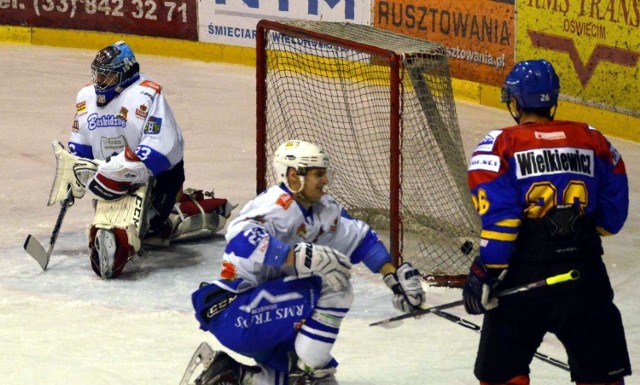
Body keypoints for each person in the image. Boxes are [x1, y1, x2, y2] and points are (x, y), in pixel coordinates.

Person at [188, 139, 426, 385]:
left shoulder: (323, 210)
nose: (325, 181)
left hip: (268, 318)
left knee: (322, 378)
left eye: (325, 173)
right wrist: (297, 257)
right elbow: (238, 235)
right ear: (293, 176)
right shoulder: (278, 205)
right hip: (238, 312)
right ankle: (305, 372)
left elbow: (361, 239)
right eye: (318, 174)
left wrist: (393, 278)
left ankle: (232, 376)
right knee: (337, 285)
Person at [462, 59, 631, 385]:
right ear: (552, 101)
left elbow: (502, 221)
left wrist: (487, 270)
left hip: (524, 279)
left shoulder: (498, 145)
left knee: (501, 374)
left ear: (514, 101)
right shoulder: (594, 139)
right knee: (602, 377)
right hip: (585, 274)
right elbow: (613, 217)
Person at [49, 41, 233, 278]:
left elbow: (164, 146)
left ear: (125, 72)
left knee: (154, 232)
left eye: (107, 76)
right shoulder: (86, 97)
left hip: (156, 176)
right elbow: (81, 141)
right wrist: (74, 168)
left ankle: (182, 213)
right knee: (125, 225)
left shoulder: (147, 94)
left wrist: (127, 166)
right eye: (98, 75)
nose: (100, 82)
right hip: (110, 178)